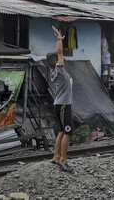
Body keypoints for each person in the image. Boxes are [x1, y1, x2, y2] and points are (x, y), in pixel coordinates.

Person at [47, 26, 75, 172]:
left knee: (61, 131)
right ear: (56, 62)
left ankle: (56, 156)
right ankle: (63, 160)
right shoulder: (60, 70)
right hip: (64, 105)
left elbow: (57, 54)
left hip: (58, 104)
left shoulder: (53, 72)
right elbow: (59, 52)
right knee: (68, 132)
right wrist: (59, 38)